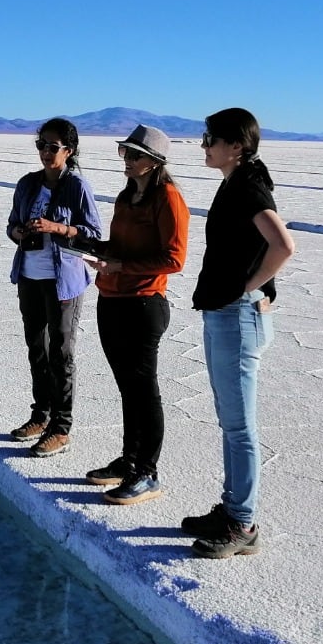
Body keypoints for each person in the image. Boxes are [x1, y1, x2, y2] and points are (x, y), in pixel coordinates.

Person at [181, 108, 294, 558]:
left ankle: (243, 523)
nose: (205, 145)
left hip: (237, 316)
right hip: (226, 313)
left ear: (237, 146)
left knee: (241, 426)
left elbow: (283, 245)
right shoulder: (234, 183)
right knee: (231, 421)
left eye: (211, 138)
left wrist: (245, 289)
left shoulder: (248, 187)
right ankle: (232, 510)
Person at [83, 125, 189, 506]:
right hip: (111, 298)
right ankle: (130, 460)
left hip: (143, 304)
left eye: (135, 155)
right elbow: (122, 246)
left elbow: (173, 259)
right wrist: (93, 247)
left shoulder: (168, 198)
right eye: (125, 153)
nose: (127, 161)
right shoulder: (128, 196)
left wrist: (120, 265)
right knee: (128, 387)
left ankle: (148, 472)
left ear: (155, 162)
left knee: (145, 391)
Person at [6, 117, 103, 458]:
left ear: (69, 151)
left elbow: (91, 233)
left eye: (53, 147)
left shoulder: (76, 187)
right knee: (37, 347)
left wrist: (56, 228)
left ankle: (61, 428)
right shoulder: (27, 184)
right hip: (30, 275)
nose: (46, 152)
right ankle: (40, 416)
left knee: (61, 352)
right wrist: (20, 232)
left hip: (64, 281)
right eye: (42, 145)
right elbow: (11, 225)